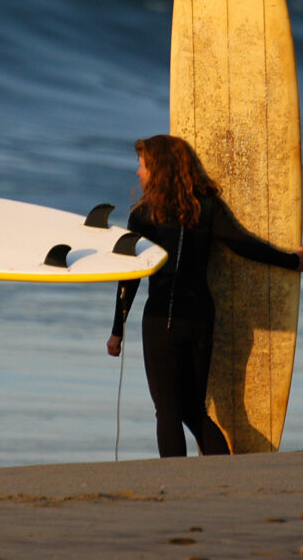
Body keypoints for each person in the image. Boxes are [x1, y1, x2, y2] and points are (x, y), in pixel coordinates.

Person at [106, 134, 303, 458]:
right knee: (193, 409)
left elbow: (130, 277)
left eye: (143, 165)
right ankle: (225, 473)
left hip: (163, 320)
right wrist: (291, 261)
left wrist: (117, 330)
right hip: (201, 319)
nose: (138, 172)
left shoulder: (144, 214)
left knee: (167, 410)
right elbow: (242, 243)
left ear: (159, 169)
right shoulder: (206, 206)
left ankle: (179, 481)